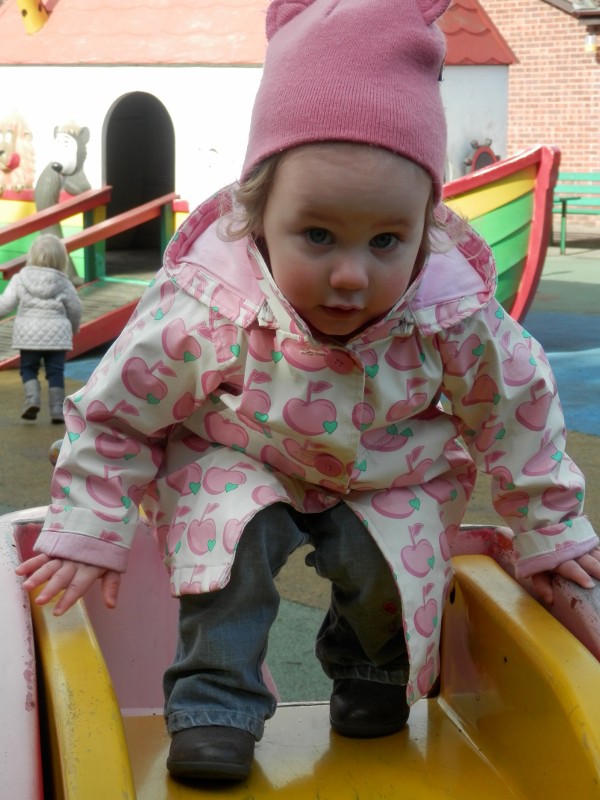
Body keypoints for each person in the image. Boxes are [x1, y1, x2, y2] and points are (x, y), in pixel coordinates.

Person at [16, 0, 600, 784]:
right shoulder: (211, 304)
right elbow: (120, 412)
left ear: (426, 224)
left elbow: (518, 417)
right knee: (231, 545)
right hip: (244, 456)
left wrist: (549, 532)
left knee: (389, 560)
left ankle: (371, 672)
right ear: (257, 216)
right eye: (317, 236)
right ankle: (214, 704)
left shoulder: (452, 314)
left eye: (386, 240)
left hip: (390, 468)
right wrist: (87, 521)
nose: (352, 274)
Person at [0, 233, 81, 423]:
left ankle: (32, 400)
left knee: (28, 369)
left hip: (28, 335)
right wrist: (74, 327)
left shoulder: (21, 278)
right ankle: (56, 410)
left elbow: (6, 303)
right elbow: (75, 307)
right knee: (55, 371)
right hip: (57, 336)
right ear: (62, 259)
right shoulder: (63, 282)